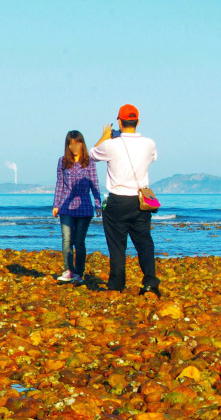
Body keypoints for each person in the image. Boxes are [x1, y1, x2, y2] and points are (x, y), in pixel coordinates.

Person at [89, 104, 160, 296]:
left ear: (119, 121)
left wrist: (106, 135)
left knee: (117, 245)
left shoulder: (111, 145)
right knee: (144, 242)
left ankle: (117, 285)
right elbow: (153, 158)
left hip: (118, 200)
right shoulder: (149, 143)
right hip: (141, 199)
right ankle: (150, 282)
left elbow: (91, 155)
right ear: (138, 121)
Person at [52, 130, 101, 284]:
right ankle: (68, 270)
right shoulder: (62, 161)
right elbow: (60, 183)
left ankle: (79, 272)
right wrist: (56, 204)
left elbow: (94, 183)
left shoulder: (89, 162)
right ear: (68, 145)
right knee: (67, 239)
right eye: (71, 143)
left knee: (79, 241)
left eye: (77, 143)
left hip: (84, 205)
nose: (75, 146)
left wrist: (98, 204)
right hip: (66, 206)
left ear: (82, 144)